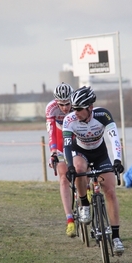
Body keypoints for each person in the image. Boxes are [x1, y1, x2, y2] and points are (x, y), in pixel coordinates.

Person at [63, 86, 124, 255]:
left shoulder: (102, 115)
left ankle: (116, 237)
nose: (75, 112)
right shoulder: (69, 120)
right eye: (74, 108)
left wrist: (118, 159)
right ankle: (84, 203)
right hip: (80, 152)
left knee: (110, 191)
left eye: (79, 109)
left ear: (90, 107)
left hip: (100, 153)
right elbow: (67, 146)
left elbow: (114, 138)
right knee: (79, 169)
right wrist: (69, 167)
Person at [45, 82, 76, 237]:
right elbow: (51, 133)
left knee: (82, 169)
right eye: (61, 104)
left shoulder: (78, 104)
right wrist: (53, 153)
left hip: (77, 139)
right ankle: (70, 220)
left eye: (68, 104)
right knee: (64, 179)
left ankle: (88, 189)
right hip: (61, 142)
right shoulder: (51, 108)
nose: (65, 108)